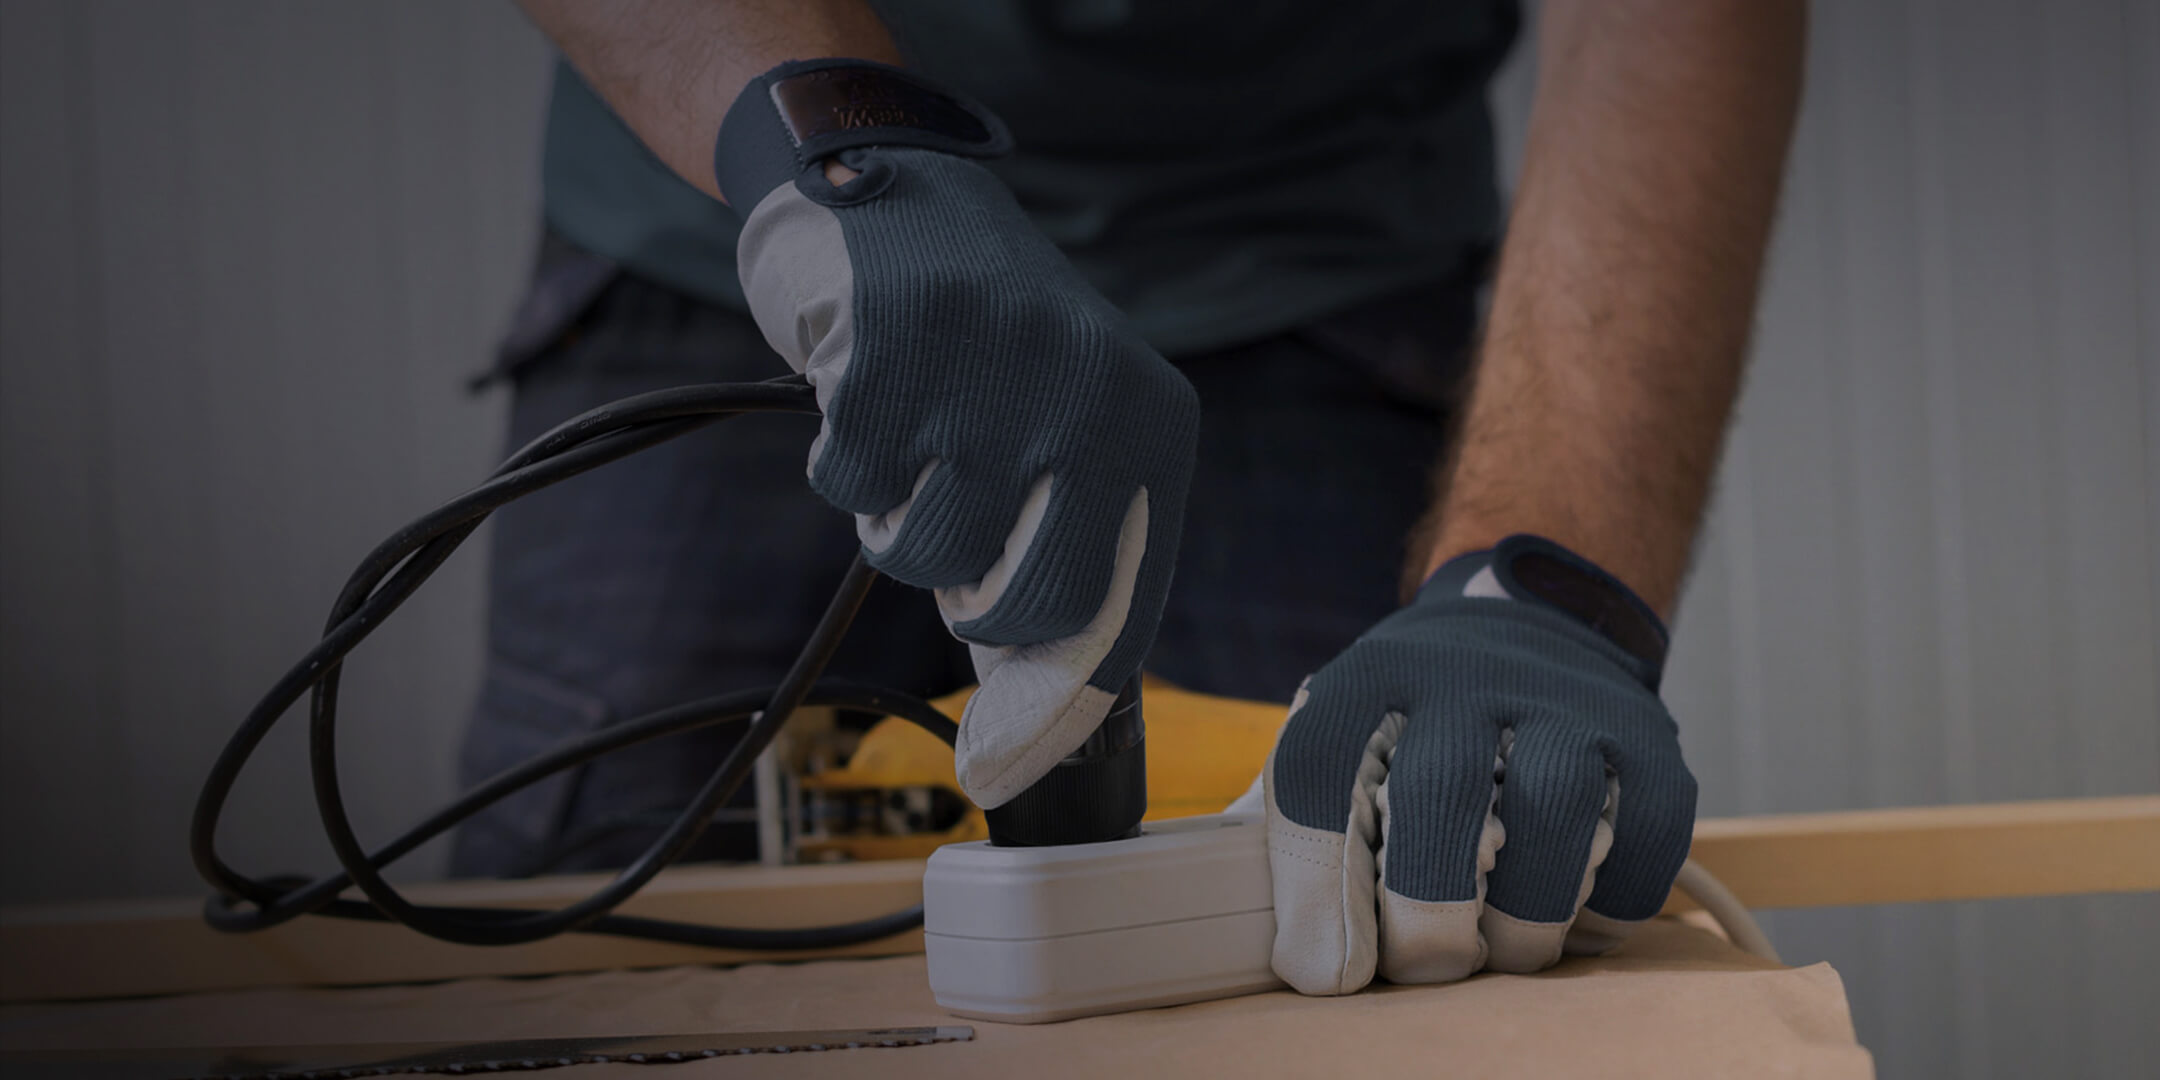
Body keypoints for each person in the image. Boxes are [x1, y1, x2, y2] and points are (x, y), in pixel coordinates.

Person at [454, 0, 1803, 994]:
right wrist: (837, 148)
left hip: (1307, 265)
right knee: (553, 969)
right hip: (736, 203)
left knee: (1403, 928)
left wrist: (1545, 584)